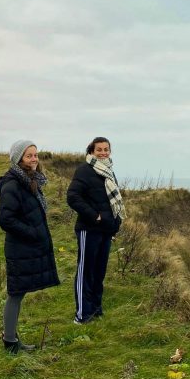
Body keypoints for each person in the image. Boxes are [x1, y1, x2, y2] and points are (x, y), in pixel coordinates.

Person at [0, 140, 60, 354]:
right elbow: (6, 219)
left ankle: (11, 338)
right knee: (16, 292)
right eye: (29, 156)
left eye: (35, 155)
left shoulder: (29, 181)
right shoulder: (13, 185)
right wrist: (32, 233)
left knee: (18, 292)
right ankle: (10, 342)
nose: (34, 159)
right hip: (19, 247)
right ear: (18, 159)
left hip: (25, 247)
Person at [67, 136, 125, 324]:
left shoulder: (108, 171)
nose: (103, 153)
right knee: (86, 271)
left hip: (105, 230)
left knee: (99, 271)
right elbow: (73, 197)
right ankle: (82, 315)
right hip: (89, 229)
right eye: (99, 149)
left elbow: (112, 201)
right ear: (91, 151)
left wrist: (114, 225)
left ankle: (95, 308)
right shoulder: (84, 170)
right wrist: (95, 216)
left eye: (106, 149)